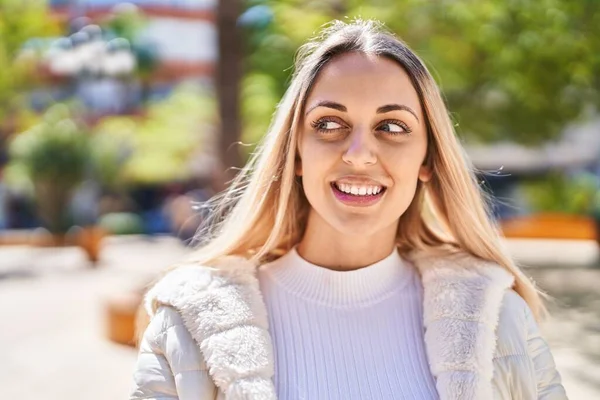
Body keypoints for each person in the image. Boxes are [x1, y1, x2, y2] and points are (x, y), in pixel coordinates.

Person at [130, 19, 567, 400]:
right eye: (329, 124)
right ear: (296, 154)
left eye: (392, 127)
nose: (359, 154)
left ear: (428, 161)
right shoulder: (187, 328)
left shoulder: (500, 320)